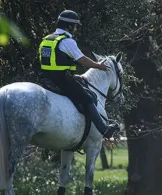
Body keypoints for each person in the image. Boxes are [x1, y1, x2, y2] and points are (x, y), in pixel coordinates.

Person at [38, 9, 119, 139]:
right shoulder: (67, 41)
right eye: (75, 26)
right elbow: (81, 59)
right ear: (70, 26)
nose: (75, 29)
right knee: (87, 97)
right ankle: (104, 130)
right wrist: (98, 65)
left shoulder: (47, 39)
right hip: (62, 79)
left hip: (45, 79)